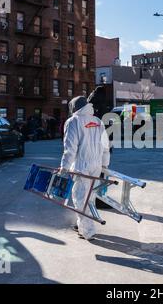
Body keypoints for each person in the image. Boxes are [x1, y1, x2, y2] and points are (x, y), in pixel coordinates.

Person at [59, 96, 110, 241]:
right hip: (96, 165)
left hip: (82, 165)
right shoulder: (97, 121)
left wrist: (65, 166)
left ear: (74, 108)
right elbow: (105, 146)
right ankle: (81, 224)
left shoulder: (73, 122)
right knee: (90, 196)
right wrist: (105, 164)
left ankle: (88, 232)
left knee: (81, 198)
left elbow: (70, 148)